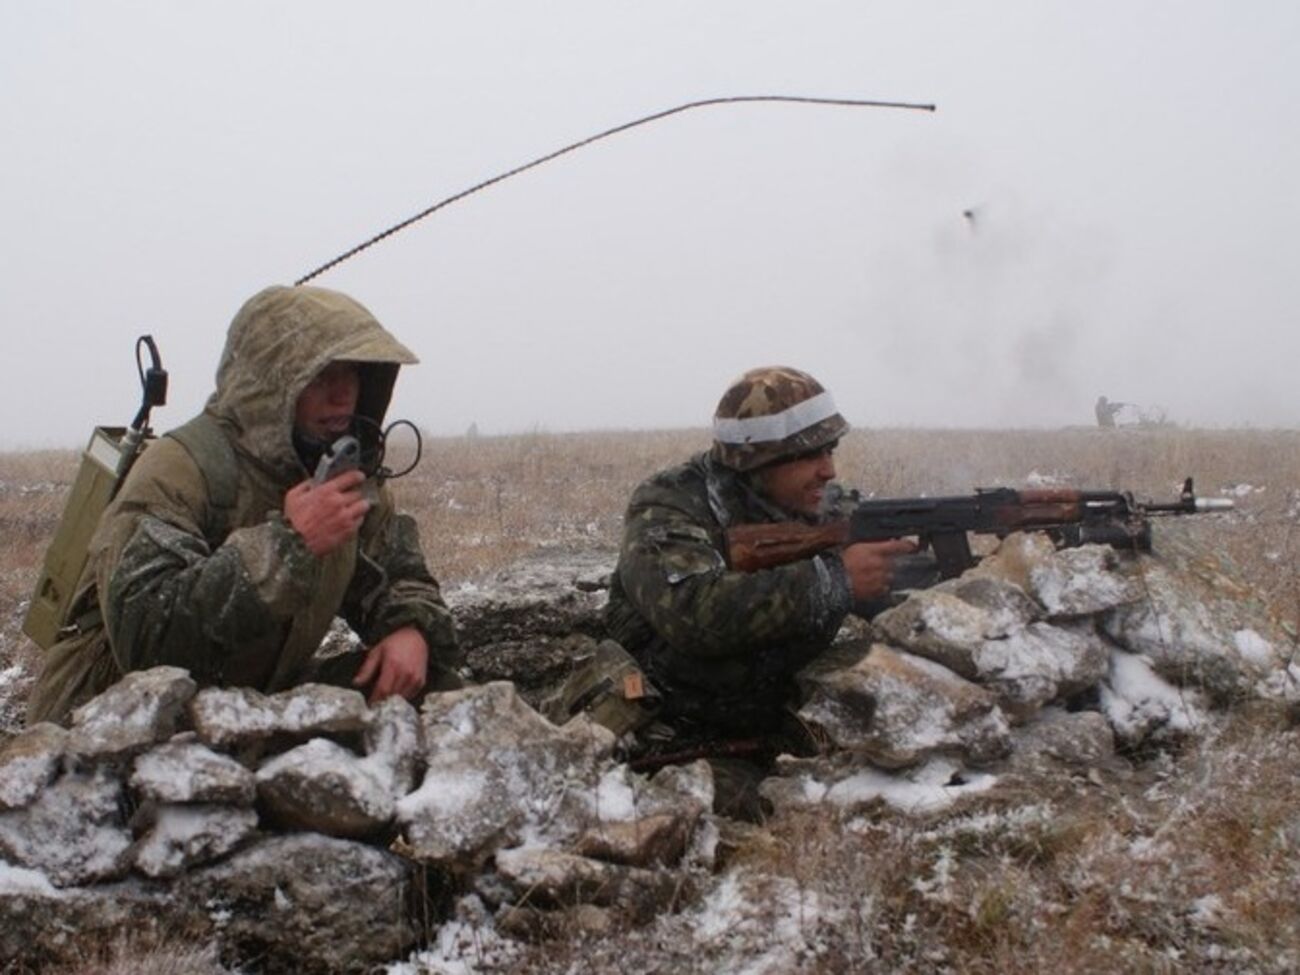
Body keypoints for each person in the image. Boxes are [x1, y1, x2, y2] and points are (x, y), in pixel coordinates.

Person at [27, 285, 460, 725]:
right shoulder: (180, 470)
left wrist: (411, 628)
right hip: (110, 718)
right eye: (320, 375)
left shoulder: (341, 469)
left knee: (435, 691)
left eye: (353, 373)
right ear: (273, 385)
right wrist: (290, 548)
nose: (342, 394)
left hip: (243, 704)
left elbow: (400, 575)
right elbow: (147, 639)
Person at [602, 366, 923, 817]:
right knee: (767, 816)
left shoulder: (821, 510)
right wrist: (837, 581)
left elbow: (888, 589)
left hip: (777, 721)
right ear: (757, 460)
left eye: (830, 449)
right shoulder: (668, 504)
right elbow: (695, 614)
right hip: (674, 736)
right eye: (810, 455)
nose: (828, 470)